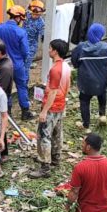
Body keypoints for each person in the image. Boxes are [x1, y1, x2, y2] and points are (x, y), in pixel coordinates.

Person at [31, 39, 71, 179]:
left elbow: (53, 91)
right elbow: (66, 87)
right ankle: (55, 158)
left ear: (55, 51)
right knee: (57, 134)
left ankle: (44, 166)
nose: (48, 50)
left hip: (52, 106)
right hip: (60, 106)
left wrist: (44, 110)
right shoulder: (66, 66)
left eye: (49, 48)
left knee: (44, 136)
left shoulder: (55, 69)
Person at [0, 5, 32, 119]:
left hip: (3, 65)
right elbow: (25, 52)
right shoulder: (21, 32)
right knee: (22, 87)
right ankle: (25, 112)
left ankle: (7, 113)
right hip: (18, 65)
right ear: (18, 18)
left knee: (5, 89)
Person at [71, 23, 107, 132]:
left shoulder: (81, 47)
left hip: (86, 81)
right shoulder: (106, 47)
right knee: (102, 94)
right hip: (102, 79)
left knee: (84, 100)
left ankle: (86, 125)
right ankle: (102, 115)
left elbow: (74, 62)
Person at [24, 0, 46, 68]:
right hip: (22, 43)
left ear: (41, 13)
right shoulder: (26, 15)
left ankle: (25, 78)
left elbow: (43, 34)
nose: (35, 16)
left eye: (37, 15)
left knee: (26, 66)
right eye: (33, 14)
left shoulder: (41, 23)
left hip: (31, 47)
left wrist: (43, 37)